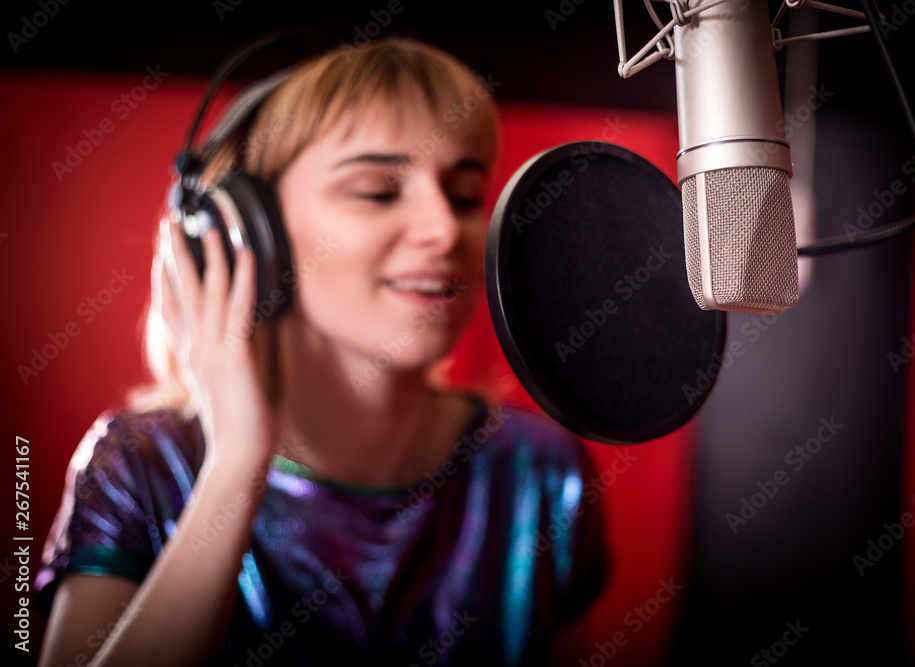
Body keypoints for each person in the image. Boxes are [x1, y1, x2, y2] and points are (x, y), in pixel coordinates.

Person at [34, 37, 609, 666]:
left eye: (466, 196)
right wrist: (237, 462)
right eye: (377, 191)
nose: (446, 230)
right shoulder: (138, 465)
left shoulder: (539, 470)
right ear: (245, 233)